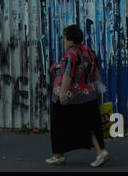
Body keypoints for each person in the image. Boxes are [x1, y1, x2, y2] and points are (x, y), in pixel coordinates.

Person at [46, 24, 110, 167]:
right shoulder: (89, 52)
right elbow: (96, 73)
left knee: (58, 124)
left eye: (64, 38)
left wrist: (62, 93)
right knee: (91, 124)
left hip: (70, 96)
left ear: (70, 40)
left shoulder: (71, 54)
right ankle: (101, 151)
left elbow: (68, 75)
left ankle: (58, 155)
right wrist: (99, 91)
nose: (63, 41)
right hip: (88, 95)